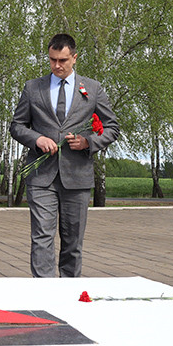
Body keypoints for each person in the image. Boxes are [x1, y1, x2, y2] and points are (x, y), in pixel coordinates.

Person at [10, 33, 119, 278]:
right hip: (41, 177)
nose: (57, 66)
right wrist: (36, 139)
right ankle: (45, 294)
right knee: (42, 237)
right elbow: (17, 126)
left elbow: (112, 127)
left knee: (72, 242)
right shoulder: (32, 88)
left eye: (63, 60)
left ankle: (69, 293)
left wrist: (88, 142)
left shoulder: (92, 89)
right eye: (52, 60)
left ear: (75, 58)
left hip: (77, 176)